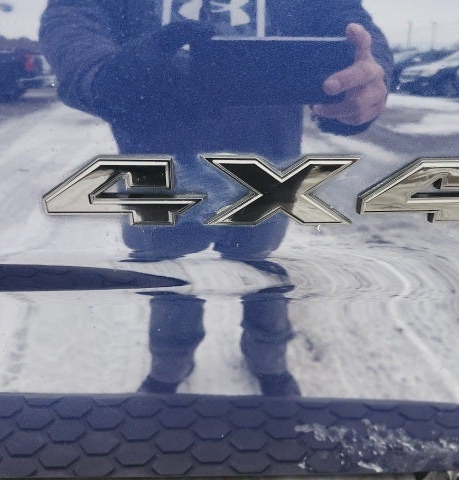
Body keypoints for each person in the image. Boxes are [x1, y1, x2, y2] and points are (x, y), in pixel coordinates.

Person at [40, 0, 392, 396]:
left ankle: (263, 358)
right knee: (172, 282)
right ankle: (174, 362)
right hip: (159, 176)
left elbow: (345, 19)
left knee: (259, 276)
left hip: (262, 175)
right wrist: (96, 71)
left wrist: (366, 75)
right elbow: (73, 13)